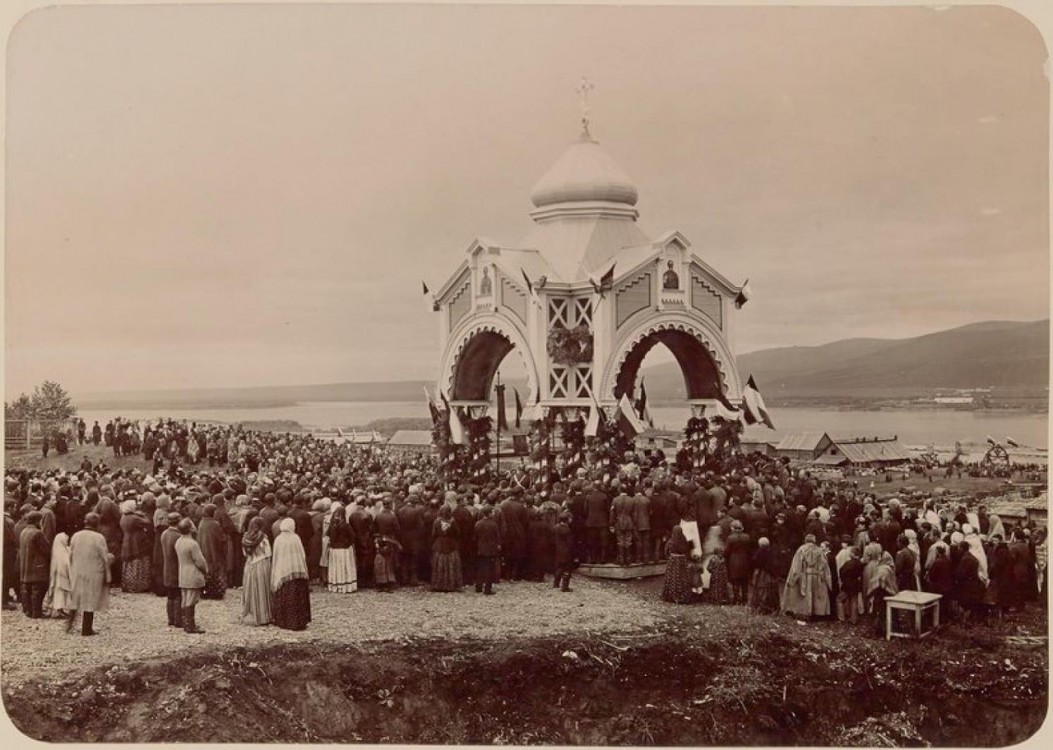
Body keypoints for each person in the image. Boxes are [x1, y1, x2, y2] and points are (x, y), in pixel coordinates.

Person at [67, 513, 112, 636]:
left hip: (78, 569)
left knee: (77, 596)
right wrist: (108, 573)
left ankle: (70, 623)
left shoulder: (76, 536)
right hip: (93, 571)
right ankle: (86, 628)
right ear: (97, 524)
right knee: (90, 599)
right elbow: (104, 557)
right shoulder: (99, 538)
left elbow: (70, 554)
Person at [271, 518, 311, 631]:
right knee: (298, 598)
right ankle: (300, 621)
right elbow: (302, 554)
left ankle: (284, 621)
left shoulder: (278, 539)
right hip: (297, 571)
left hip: (283, 571)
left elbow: (276, 556)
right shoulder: (296, 538)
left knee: (286, 598)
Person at [783, 534, 832, 619]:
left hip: (805, 575)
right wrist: (827, 581)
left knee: (805, 596)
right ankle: (816, 614)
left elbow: (796, 566)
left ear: (805, 540)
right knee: (816, 595)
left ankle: (805, 613)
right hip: (817, 576)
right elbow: (825, 567)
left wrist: (793, 579)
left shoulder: (801, 550)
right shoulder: (820, 551)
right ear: (814, 541)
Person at [174, 518, 208, 634]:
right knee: (192, 600)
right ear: (190, 528)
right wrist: (206, 571)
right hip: (193, 573)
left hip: (182, 572)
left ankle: (185, 623)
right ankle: (190, 625)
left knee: (185, 598)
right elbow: (200, 562)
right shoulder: (193, 544)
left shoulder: (179, 541)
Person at [240, 517, 272, 626]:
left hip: (249, 564)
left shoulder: (245, 538)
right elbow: (268, 553)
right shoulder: (262, 538)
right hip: (261, 563)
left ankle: (251, 612)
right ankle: (263, 615)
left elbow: (245, 554)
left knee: (250, 588)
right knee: (262, 588)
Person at [18, 511, 50, 618]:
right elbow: (46, 549)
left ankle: (28, 611)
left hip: (26, 565)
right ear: (37, 521)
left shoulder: (23, 532)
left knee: (26, 589)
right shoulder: (37, 533)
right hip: (37, 566)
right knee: (38, 590)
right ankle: (37, 612)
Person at [119, 499, 153, 594]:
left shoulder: (123, 517)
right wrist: (143, 514)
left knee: (129, 562)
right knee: (139, 561)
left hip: (127, 540)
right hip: (136, 541)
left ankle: (128, 584)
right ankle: (138, 585)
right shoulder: (134, 518)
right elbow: (147, 522)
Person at [197, 504, 227, 600]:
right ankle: (216, 592)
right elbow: (221, 539)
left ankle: (205, 591)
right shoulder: (215, 524)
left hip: (203, 550)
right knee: (216, 571)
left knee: (206, 571)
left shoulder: (202, 523)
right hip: (214, 551)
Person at [431, 505, 463, 592]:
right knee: (451, 564)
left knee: (439, 565)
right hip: (451, 544)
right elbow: (457, 533)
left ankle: (438, 584)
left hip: (439, 544)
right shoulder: (453, 521)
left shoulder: (436, 521)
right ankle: (450, 584)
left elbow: (434, 534)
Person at [326, 505, 357, 593]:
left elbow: (328, 535)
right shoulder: (346, 526)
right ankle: (346, 585)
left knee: (336, 567)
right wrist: (348, 543)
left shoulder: (331, 525)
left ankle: (336, 584)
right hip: (344, 550)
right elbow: (353, 537)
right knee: (345, 567)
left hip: (334, 550)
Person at [661, 524, 696, 604]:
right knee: (683, 578)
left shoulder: (671, 541)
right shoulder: (684, 540)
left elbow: (666, 551)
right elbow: (687, 550)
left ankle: (672, 596)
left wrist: (670, 558)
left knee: (673, 577)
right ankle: (683, 595)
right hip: (682, 561)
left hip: (673, 561)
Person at [160, 512, 184, 628]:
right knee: (178, 594)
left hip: (167, 568)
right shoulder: (178, 536)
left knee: (170, 595)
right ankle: (178, 619)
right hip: (177, 568)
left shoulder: (164, 534)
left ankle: (170, 618)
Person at [748, 537, 780, 614]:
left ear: (760, 544)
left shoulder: (759, 551)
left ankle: (762, 607)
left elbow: (754, 561)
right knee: (770, 590)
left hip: (762, 573)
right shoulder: (771, 551)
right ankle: (772, 607)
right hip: (769, 573)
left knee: (761, 589)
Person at [474, 505, 500, 595]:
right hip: (491, 549)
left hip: (480, 548)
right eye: (492, 512)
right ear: (488, 513)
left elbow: (475, 537)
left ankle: (478, 586)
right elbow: (496, 537)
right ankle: (487, 589)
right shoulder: (494, 525)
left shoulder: (477, 524)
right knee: (490, 569)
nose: (493, 513)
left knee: (480, 567)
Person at [724, 520, 752, 605]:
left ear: (733, 528)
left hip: (733, 560)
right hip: (745, 560)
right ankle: (745, 599)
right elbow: (749, 550)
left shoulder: (730, 538)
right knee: (744, 581)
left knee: (735, 580)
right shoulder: (747, 537)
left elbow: (726, 551)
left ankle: (736, 599)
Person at [552, 512, 574, 592]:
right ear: (566, 520)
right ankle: (565, 586)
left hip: (557, 550)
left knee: (559, 567)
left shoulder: (555, 527)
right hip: (566, 551)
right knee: (567, 569)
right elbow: (570, 543)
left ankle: (556, 583)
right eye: (570, 518)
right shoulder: (567, 530)